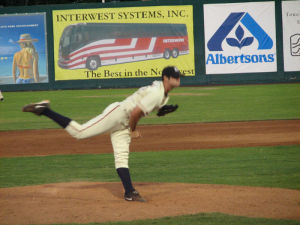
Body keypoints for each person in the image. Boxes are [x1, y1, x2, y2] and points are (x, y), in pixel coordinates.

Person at [22, 66, 183, 202]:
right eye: (175, 77)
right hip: (118, 114)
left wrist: (160, 110)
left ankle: (129, 192)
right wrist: (133, 130)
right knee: (80, 132)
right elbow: (135, 113)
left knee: (121, 156)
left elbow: (145, 105)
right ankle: (45, 110)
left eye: (178, 77)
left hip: (124, 124)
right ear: (165, 78)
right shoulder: (157, 92)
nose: (178, 79)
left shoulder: (162, 94)